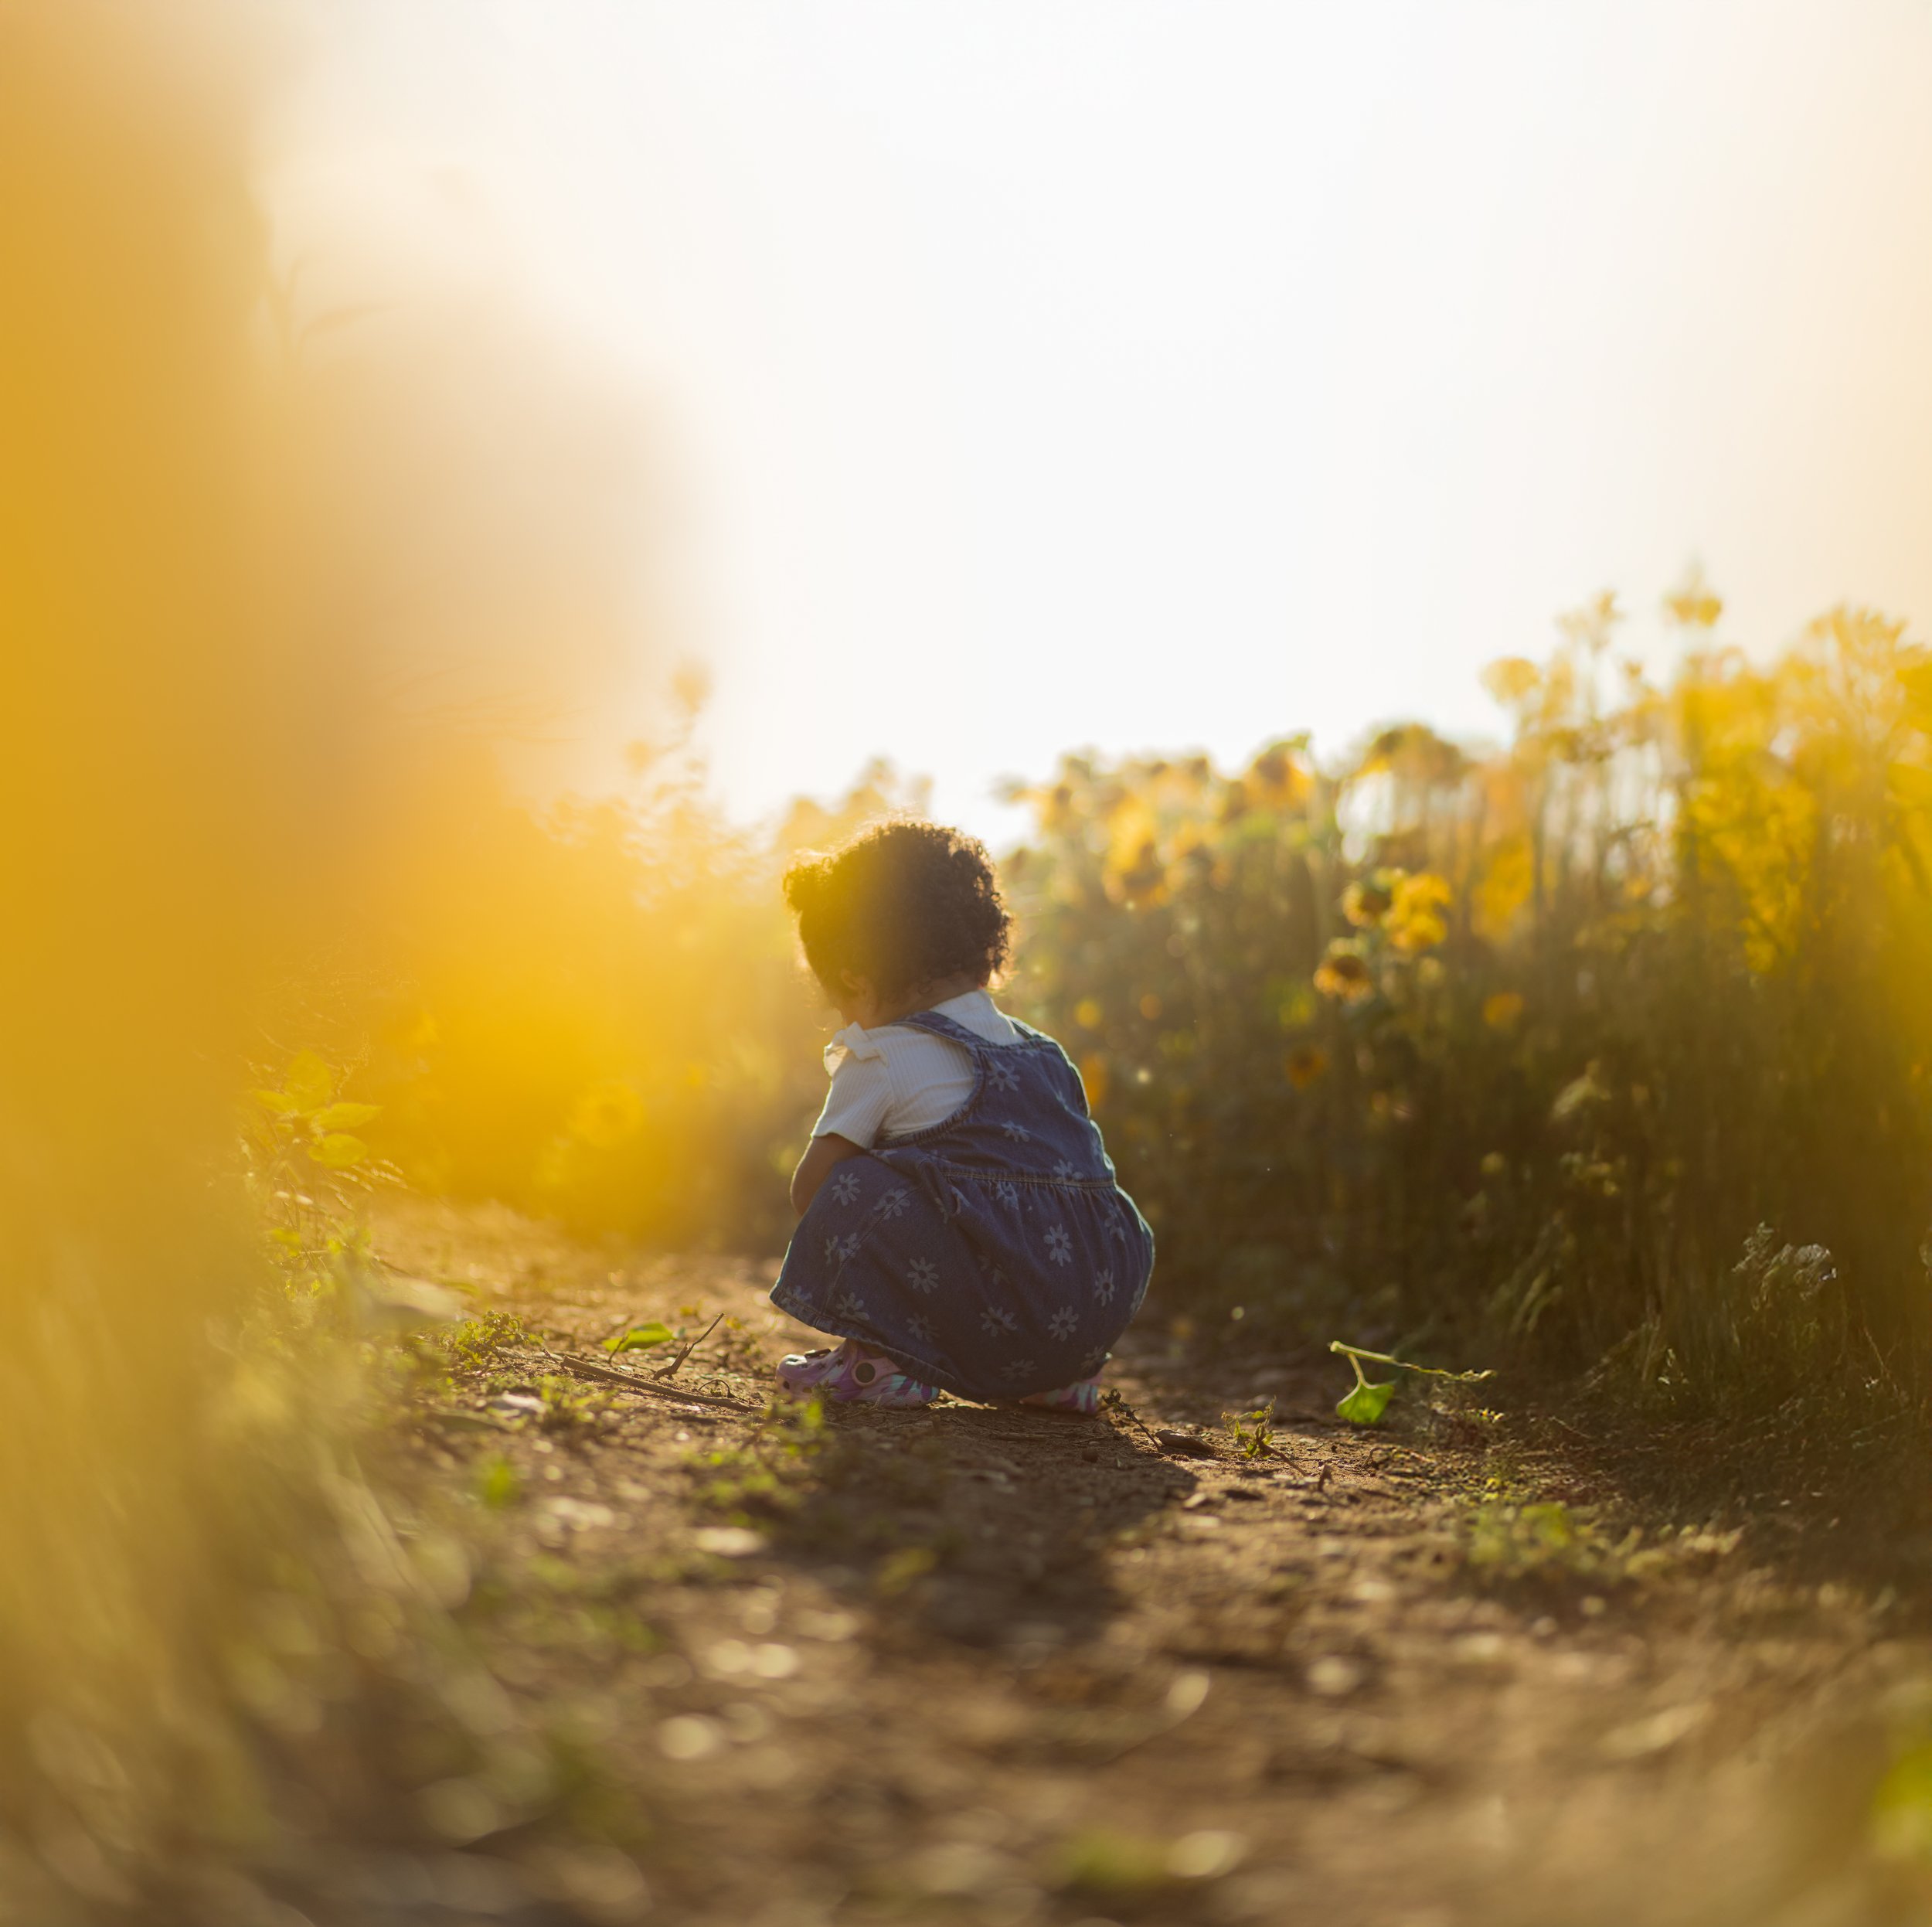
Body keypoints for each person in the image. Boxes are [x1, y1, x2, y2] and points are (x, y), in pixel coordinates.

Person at [770, 819, 1155, 1411]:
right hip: (1088, 1309)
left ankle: (881, 1361)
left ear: (856, 980)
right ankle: (1060, 1378)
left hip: (992, 1309)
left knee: (851, 1186)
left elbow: (813, 1189)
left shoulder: (879, 1054)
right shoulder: (1044, 1053)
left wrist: (892, 1172)